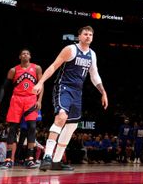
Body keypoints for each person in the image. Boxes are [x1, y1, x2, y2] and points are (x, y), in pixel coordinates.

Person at [33, 26, 108, 171]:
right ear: (79, 36)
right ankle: (47, 156)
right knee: (61, 117)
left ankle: (56, 162)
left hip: (77, 93)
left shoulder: (92, 54)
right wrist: (40, 82)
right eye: (85, 34)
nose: (88, 36)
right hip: (64, 88)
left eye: (91, 34)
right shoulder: (70, 49)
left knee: (71, 126)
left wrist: (103, 92)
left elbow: (94, 75)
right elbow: (54, 66)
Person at [0, 49, 43, 169]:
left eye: (27, 53)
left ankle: (29, 159)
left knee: (32, 127)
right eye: (23, 53)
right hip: (17, 100)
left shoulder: (37, 68)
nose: (25, 55)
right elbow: (4, 88)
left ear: (30, 56)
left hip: (31, 99)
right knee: (12, 128)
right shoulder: (13, 70)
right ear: (19, 56)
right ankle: (8, 159)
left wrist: (39, 100)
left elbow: (41, 84)